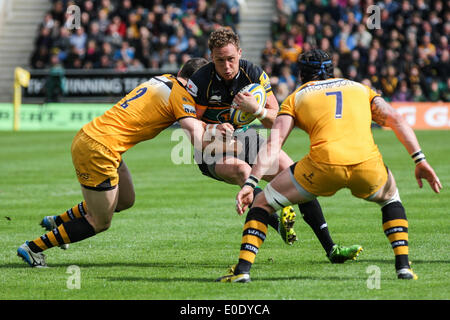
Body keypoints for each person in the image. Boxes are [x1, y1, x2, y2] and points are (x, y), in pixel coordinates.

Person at [218, 49, 442, 282]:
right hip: (366, 165)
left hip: (321, 168)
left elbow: (274, 143)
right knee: (391, 199)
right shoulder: (361, 89)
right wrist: (420, 160)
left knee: (262, 204)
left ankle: (243, 271)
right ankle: (403, 267)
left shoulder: (296, 97)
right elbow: (396, 119)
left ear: (302, 74)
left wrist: (251, 183)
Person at [16, 58, 229, 267]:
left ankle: (59, 221)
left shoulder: (163, 79)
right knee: (100, 221)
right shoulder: (180, 95)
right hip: (100, 149)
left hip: (97, 139)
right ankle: (33, 248)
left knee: (125, 199)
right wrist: (223, 138)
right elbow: (193, 131)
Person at [187, 28, 361, 260]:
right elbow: (191, 127)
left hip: (245, 139)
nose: (227, 66)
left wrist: (256, 110)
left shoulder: (254, 73)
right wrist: (213, 129)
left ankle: (331, 248)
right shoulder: (200, 81)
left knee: (299, 177)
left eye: (231, 59)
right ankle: (275, 220)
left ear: (240, 53)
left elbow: (276, 120)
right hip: (211, 148)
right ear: (211, 58)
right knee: (243, 171)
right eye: (220, 61)